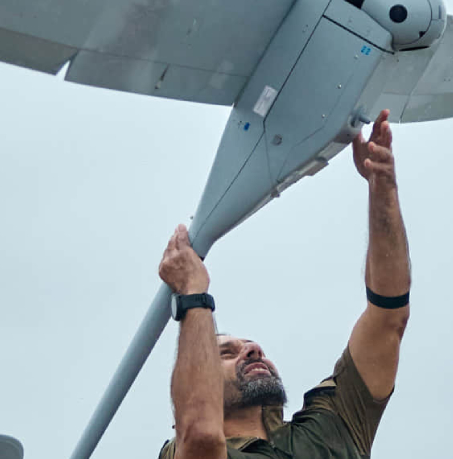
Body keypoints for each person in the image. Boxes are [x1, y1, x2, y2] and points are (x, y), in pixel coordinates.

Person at [156, 109, 411, 459]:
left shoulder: (332, 429)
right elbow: (200, 435)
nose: (253, 350)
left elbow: (388, 315)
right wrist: (192, 294)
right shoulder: (181, 451)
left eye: (250, 347)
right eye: (225, 354)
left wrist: (383, 190)